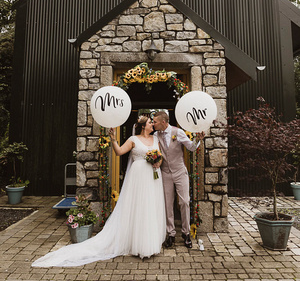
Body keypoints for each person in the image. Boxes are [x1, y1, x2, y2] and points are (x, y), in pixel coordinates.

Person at [32, 116, 166, 267]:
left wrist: (157, 162)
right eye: (150, 123)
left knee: (150, 207)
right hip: (138, 178)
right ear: (143, 126)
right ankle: (138, 244)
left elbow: (160, 158)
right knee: (138, 207)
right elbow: (119, 152)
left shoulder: (156, 140)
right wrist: (114, 139)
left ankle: (150, 243)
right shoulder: (133, 139)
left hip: (153, 177)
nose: (152, 125)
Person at [152, 111, 203, 249]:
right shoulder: (156, 135)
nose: (153, 123)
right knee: (168, 204)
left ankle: (186, 234)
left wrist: (197, 140)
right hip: (165, 172)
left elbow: (191, 148)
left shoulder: (178, 132)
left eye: (155, 121)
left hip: (180, 172)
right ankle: (171, 234)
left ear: (163, 122)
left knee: (184, 202)